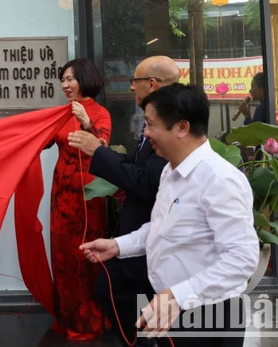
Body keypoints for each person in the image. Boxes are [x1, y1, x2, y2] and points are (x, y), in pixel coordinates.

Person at [81, 83, 259, 347]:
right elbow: (162, 226)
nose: (146, 133)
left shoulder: (219, 179)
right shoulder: (171, 171)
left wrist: (178, 294)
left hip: (205, 314)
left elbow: (241, 259)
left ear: (182, 128)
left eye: (151, 125)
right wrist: (119, 245)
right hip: (171, 306)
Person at [68, 55, 179, 346]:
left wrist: (98, 151)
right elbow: (135, 164)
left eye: (135, 81)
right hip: (139, 234)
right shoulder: (154, 120)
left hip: (155, 238)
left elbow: (147, 181)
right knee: (111, 288)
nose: (131, 88)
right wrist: (104, 153)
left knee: (120, 291)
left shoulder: (170, 126)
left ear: (152, 84)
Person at [49, 58, 112, 341]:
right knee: (62, 253)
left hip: (88, 194)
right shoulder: (60, 113)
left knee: (85, 254)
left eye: (70, 79)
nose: (65, 85)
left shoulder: (100, 113)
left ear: (85, 79)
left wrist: (87, 124)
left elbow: (103, 149)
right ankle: (68, 316)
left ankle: (88, 317)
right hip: (62, 193)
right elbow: (40, 138)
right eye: (62, 80)